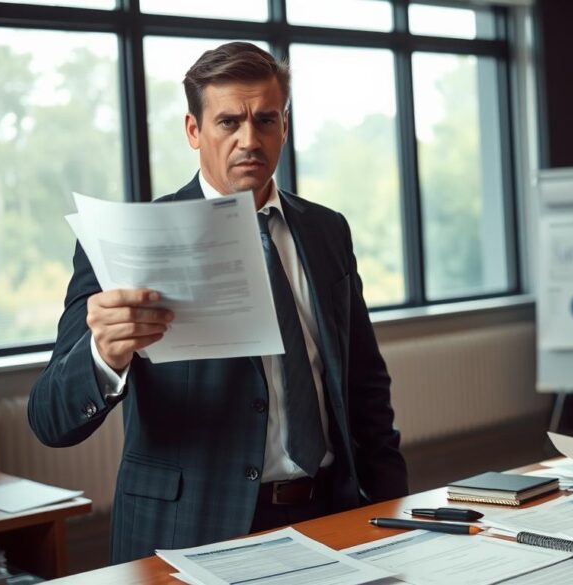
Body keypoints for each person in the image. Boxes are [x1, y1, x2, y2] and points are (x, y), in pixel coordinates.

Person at [28, 42, 408, 563]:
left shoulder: (327, 230)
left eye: (266, 120)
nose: (249, 140)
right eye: (229, 122)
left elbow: (365, 385)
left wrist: (391, 509)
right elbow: (50, 420)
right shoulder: (128, 241)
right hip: (189, 530)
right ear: (193, 131)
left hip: (327, 516)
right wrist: (105, 355)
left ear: (285, 126)